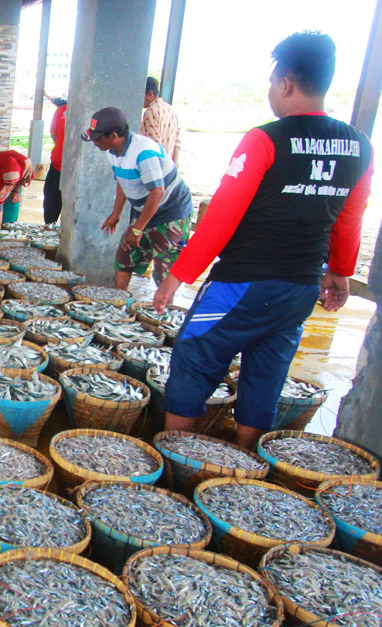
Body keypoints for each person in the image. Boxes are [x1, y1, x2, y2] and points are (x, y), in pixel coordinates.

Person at [153, 32, 372, 450]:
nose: (272, 91)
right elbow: (348, 221)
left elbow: (221, 218)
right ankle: (244, 459)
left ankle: (175, 453)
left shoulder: (265, 139)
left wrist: (177, 276)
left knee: (194, 356)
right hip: (300, 287)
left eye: (273, 83)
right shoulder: (360, 147)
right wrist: (340, 272)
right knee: (267, 371)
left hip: (242, 284)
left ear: (286, 83)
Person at [82, 106, 192, 289]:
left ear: (114, 135)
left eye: (98, 137)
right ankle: (119, 305)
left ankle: (162, 313)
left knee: (164, 271)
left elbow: (157, 193)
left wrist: (138, 228)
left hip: (170, 212)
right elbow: (123, 182)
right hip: (145, 208)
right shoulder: (112, 152)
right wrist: (116, 213)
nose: (95, 142)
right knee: (125, 257)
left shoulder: (143, 153)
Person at [141, 76, 181, 165]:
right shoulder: (170, 110)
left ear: (150, 94)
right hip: (168, 168)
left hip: (156, 168)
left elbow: (152, 147)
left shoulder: (150, 112)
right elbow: (177, 143)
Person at [44, 93, 67, 224]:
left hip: (75, 173)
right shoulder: (62, 110)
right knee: (51, 202)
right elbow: (53, 134)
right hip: (57, 165)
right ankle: (49, 230)